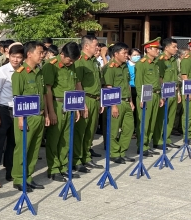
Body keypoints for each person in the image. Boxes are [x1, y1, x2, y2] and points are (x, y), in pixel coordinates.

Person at [42, 42, 83, 182]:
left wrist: (78, 106)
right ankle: (53, 169)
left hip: (70, 104)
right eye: (69, 59)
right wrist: (51, 112)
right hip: (57, 104)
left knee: (66, 138)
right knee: (54, 139)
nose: (70, 62)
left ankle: (63, 166)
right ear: (62, 54)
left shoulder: (72, 65)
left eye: (73, 60)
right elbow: (47, 90)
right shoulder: (51, 66)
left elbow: (76, 84)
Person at [10, 41, 47, 191]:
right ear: (29, 54)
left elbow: (43, 94)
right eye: (40, 52)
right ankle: (19, 178)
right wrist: (20, 119)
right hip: (26, 117)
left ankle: (29, 176)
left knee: (34, 148)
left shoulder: (39, 71)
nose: (42, 55)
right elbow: (16, 98)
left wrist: (47, 114)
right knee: (23, 148)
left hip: (39, 115)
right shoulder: (20, 74)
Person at [0, 42, 24, 187]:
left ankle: (10, 171)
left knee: (13, 143)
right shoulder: (1, 71)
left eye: (19, 57)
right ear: (8, 55)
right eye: (13, 57)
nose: (16, 60)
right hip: (3, 110)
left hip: (18, 111)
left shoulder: (23, 71)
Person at [102, 43, 137, 164]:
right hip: (116, 102)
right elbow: (108, 87)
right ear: (116, 54)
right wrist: (113, 105)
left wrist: (131, 101)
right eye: (124, 53)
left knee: (129, 128)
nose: (126, 56)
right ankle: (114, 153)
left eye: (127, 53)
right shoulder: (110, 68)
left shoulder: (125, 66)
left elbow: (127, 84)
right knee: (114, 129)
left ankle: (122, 152)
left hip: (126, 101)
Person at [73, 35, 103, 173]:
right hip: (86, 99)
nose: (97, 47)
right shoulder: (80, 61)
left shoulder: (94, 61)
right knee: (81, 131)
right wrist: (82, 104)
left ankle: (86, 156)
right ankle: (77, 159)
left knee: (90, 131)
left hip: (96, 99)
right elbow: (77, 84)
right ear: (86, 46)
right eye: (95, 45)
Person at [135, 38, 164, 157]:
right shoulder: (141, 63)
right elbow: (139, 82)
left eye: (158, 49)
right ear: (148, 49)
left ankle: (147, 144)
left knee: (152, 122)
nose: (158, 51)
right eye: (156, 49)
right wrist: (141, 98)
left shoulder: (156, 63)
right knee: (144, 123)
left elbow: (159, 81)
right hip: (146, 95)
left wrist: (161, 96)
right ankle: (142, 146)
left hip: (156, 94)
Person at [153, 37, 181, 149]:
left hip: (173, 92)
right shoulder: (160, 60)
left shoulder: (173, 60)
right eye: (174, 47)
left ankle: (167, 139)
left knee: (170, 117)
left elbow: (175, 78)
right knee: (161, 118)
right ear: (166, 47)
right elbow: (159, 78)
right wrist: (162, 94)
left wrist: (178, 93)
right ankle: (158, 140)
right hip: (165, 93)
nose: (176, 49)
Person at [128, 48, 142, 131]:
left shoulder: (141, 65)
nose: (137, 57)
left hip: (139, 88)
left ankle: (138, 128)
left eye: (138, 55)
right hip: (131, 89)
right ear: (129, 56)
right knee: (132, 109)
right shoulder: (127, 66)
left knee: (139, 110)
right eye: (134, 55)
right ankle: (132, 129)